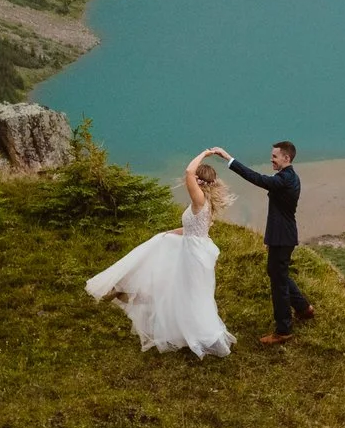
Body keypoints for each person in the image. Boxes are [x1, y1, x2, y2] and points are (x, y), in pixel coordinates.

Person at [84, 151, 235, 358]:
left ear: (199, 181)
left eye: (194, 180)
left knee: (190, 294)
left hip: (193, 255)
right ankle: (180, 326)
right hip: (195, 250)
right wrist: (169, 233)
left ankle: (202, 334)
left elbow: (188, 172)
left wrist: (206, 153)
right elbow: (195, 229)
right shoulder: (205, 202)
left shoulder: (199, 199)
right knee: (186, 292)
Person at [218, 140, 312, 344]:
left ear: (286, 157)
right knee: (278, 273)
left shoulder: (284, 179)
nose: (271, 159)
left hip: (282, 237)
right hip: (282, 235)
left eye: (275, 156)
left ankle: (283, 330)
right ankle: (303, 308)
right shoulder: (290, 177)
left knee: (278, 283)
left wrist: (229, 159)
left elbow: (256, 178)